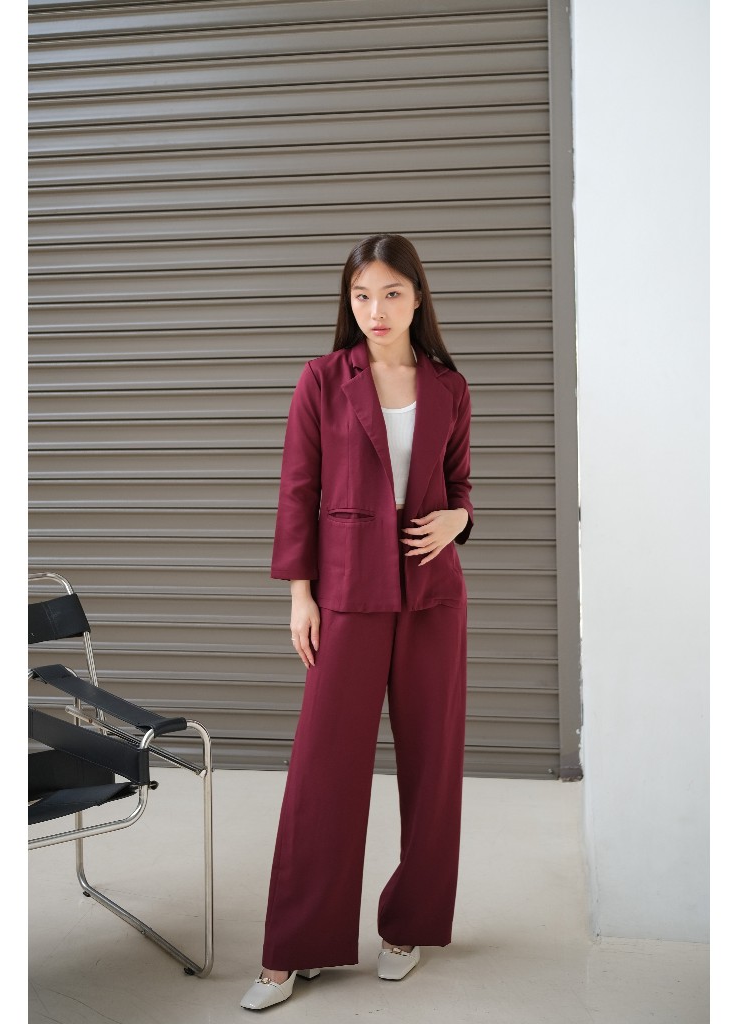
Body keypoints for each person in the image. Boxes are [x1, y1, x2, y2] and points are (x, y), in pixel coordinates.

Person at [240, 233, 474, 1011]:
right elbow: (296, 490)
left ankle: (408, 927)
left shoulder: (448, 385)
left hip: (433, 596)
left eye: (391, 294)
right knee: (323, 772)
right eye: (362, 296)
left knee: (433, 770)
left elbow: (461, 486)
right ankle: (292, 949)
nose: (376, 310)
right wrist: (299, 595)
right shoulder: (323, 379)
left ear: (418, 298)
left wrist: (458, 520)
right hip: (345, 592)